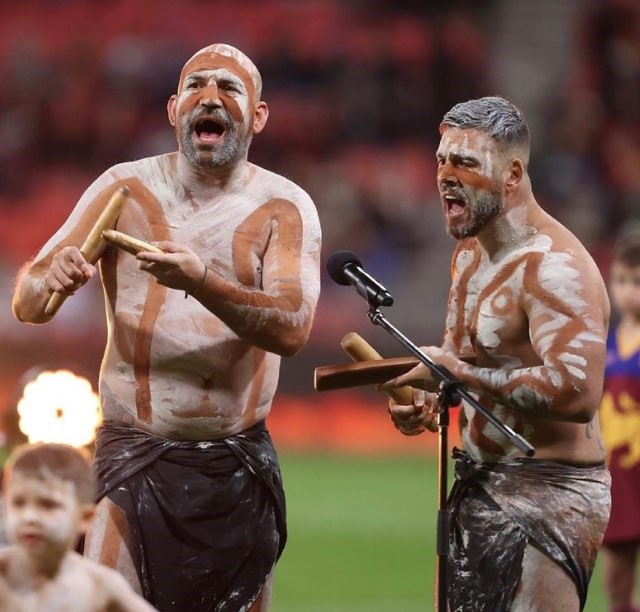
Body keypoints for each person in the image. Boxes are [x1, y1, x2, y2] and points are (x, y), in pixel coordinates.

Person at [11, 43, 322, 611]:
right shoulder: (122, 189)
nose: (212, 97)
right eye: (198, 86)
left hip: (236, 463)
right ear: (174, 108)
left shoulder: (285, 206)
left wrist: (201, 279)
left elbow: (292, 329)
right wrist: (48, 274)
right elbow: (31, 305)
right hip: (133, 454)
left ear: (258, 116)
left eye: (229, 88)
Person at [381, 96, 611, 611]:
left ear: (511, 174)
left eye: (464, 163)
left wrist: (458, 372)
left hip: (550, 492)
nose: (445, 175)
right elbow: (467, 371)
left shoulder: (555, 267)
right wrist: (430, 403)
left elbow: (577, 394)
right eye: (441, 160)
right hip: (480, 481)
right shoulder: (468, 256)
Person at [0, 442, 156, 611]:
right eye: (18, 503)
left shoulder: (99, 587)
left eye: (48, 505)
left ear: (85, 518)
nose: (29, 517)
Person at [599, 234, 640, 612]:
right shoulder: (607, 344)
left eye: (638, 282)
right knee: (615, 579)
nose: (629, 292)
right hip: (618, 476)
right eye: (622, 281)